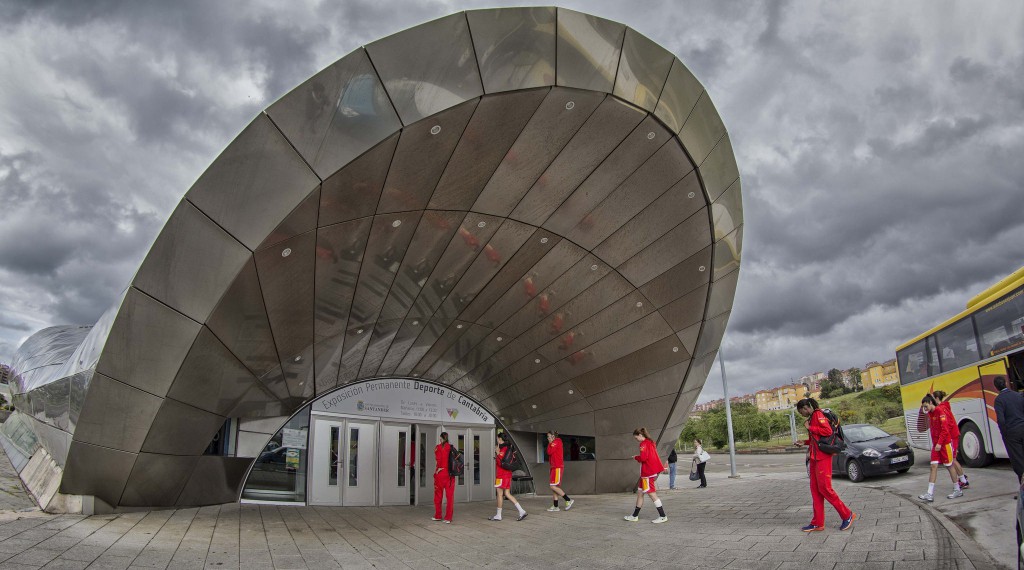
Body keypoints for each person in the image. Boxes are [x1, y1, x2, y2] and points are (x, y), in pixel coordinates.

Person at [795, 398, 856, 531]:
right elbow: (816, 439)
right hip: (814, 458)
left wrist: (810, 427)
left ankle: (847, 515)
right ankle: (818, 522)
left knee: (825, 489)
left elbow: (827, 431)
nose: (802, 415)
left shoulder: (818, 414)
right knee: (815, 490)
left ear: (806, 408)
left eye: (801, 412)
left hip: (823, 458)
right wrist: (804, 443)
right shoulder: (812, 417)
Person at [917, 394, 962, 502]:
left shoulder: (940, 411)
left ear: (931, 403)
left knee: (949, 465)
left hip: (944, 445)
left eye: (925, 406)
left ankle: (957, 489)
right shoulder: (930, 414)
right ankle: (929, 493)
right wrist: (936, 444)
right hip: (936, 445)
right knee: (933, 466)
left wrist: (940, 443)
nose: (925, 409)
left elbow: (945, 429)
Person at [624, 427, 668, 524]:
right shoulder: (650, 442)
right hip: (649, 472)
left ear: (640, 435)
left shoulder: (643, 444)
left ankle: (663, 516)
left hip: (647, 473)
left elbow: (643, 458)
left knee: (652, 494)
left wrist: (636, 457)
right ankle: (634, 516)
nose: (636, 440)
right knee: (640, 494)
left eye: (636, 438)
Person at [933, 390, 969, 489]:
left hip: (951, 437)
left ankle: (963, 480)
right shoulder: (944, 407)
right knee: (953, 459)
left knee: (952, 459)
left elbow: (947, 425)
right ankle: (962, 479)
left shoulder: (941, 409)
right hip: (952, 435)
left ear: (936, 399)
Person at [490, 432, 528, 521]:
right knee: (507, 493)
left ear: (500, 439)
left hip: (501, 475)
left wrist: (497, 453)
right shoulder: (509, 448)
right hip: (508, 475)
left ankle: (498, 515)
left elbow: (501, 463)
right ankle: (521, 511)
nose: (497, 441)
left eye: (497, 439)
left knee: (499, 495)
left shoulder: (503, 449)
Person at [994, 376, 1024, 483]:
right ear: (1006, 383)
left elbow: (1001, 420)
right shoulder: (1018, 395)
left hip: (1012, 433)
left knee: (1018, 460)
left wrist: (1004, 434)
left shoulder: (999, 400)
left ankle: (1022, 488)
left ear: (996, 387)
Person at [545, 431, 574, 511]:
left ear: (553, 436)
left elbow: (549, 451)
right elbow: (548, 452)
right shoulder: (552, 443)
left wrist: (550, 443)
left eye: (549, 436)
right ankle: (555, 506)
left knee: (553, 486)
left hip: (557, 467)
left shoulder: (557, 442)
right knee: (554, 487)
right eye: (547, 437)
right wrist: (549, 443)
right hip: (553, 467)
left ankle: (568, 500)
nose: (548, 438)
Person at [432, 432, 454, 523]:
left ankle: (438, 515)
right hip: (450, 475)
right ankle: (448, 518)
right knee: (450, 497)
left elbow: (438, 460)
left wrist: (437, 470)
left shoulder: (438, 447)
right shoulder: (451, 447)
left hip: (441, 474)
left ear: (441, 438)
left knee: (438, 496)